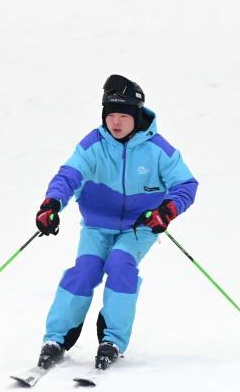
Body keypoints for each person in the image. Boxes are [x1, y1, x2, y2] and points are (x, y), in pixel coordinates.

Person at [33, 75, 198, 370]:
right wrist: (51, 204)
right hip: (97, 226)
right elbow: (69, 175)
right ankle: (56, 339)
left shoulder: (158, 149)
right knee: (84, 271)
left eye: (123, 116)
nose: (116, 123)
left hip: (139, 227)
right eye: (111, 115)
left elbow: (186, 185)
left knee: (121, 265)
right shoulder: (93, 144)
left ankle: (112, 340)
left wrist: (167, 210)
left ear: (136, 117)